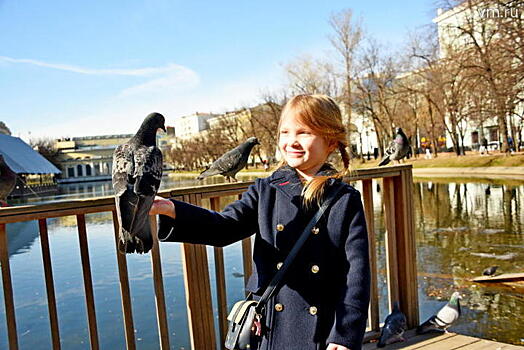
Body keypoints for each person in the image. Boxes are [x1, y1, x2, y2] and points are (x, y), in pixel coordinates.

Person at [150, 94, 371, 350]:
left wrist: (344, 336)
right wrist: (171, 209)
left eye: (304, 132)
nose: (291, 141)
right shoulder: (266, 190)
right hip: (271, 327)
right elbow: (225, 227)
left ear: (331, 141)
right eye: (285, 132)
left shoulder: (344, 199)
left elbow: (357, 274)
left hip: (322, 327)